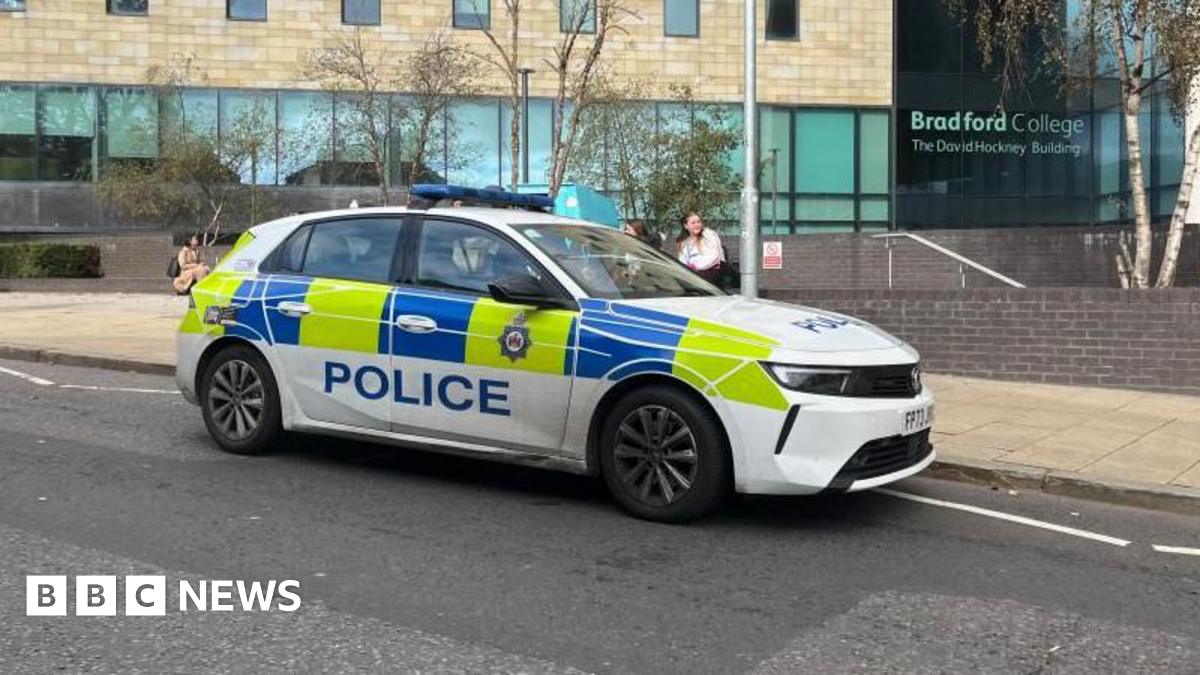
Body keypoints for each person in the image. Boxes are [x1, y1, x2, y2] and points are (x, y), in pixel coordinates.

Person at [676, 212, 723, 285]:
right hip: (692, 272)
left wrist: (696, 266)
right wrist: (686, 269)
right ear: (686, 226)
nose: (697, 224)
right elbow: (682, 259)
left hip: (709, 270)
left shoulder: (709, 234)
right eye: (693, 223)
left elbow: (714, 255)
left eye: (698, 222)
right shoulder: (684, 241)